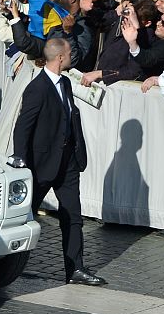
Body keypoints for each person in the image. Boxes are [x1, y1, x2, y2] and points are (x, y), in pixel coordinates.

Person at [12, 38, 107, 286]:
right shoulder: (37, 88)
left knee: (73, 215)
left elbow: (69, 117)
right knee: (25, 214)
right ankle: (6, 265)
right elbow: (23, 127)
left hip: (67, 163)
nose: (72, 56)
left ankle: (75, 269)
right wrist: (21, 160)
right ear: (61, 58)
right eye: (69, 53)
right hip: (41, 164)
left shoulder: (64, 82)